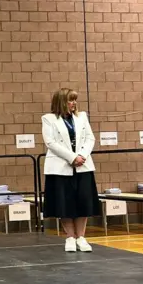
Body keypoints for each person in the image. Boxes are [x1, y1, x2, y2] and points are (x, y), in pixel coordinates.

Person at [41, 88, 100, 252]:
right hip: (60, 167)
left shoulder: (82, 117)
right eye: (70, 100)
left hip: (83, 166)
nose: (74, 103)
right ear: (61, 102)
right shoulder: (48, 119)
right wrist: (72, 157)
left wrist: (81, 155)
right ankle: (70, 237)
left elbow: (90, 138)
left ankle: (81, 237)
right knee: (64, 203)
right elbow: (51, 143)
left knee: (83, 201)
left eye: (75, 100)